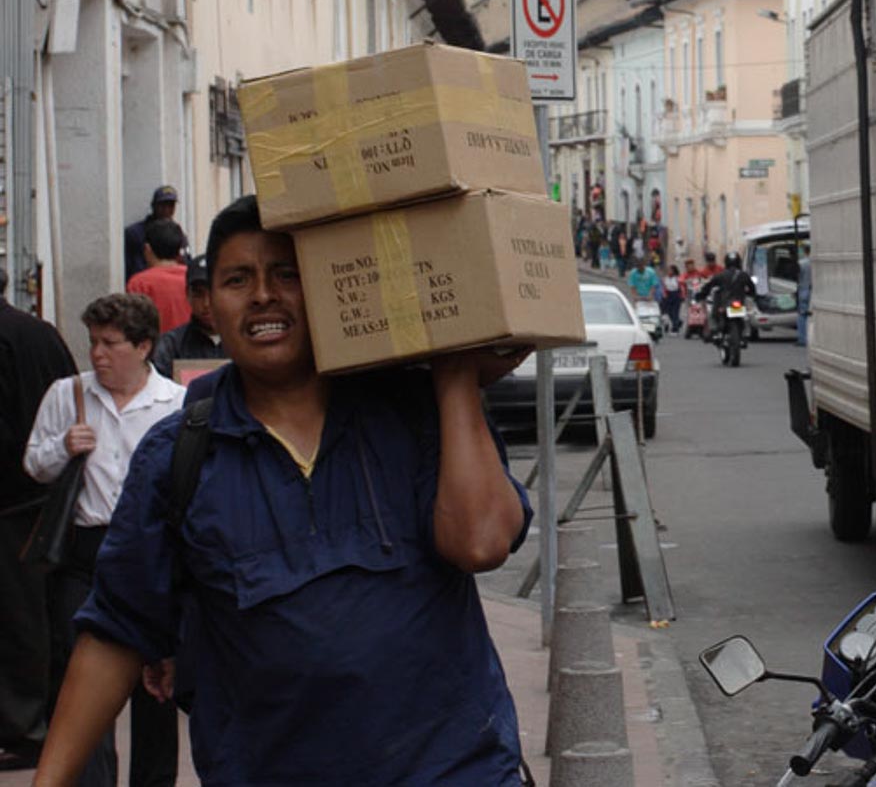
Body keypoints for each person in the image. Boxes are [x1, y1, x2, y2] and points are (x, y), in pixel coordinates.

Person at [30, 196, 532, 787]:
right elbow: (115, 632)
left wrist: (453, 372)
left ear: (326, 290)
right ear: (209, 305)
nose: (264, 295)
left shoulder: (413, 414)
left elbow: (480, 542)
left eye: (287, 274)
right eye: (238, 279)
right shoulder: (176, 458)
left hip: (455, 772)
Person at [25, 293, 186, 787]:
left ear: (143, 347)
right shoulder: (68, 394)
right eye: (93, 342)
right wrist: (63, 446)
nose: (97, 354)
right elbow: (34, 464)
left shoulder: (175, 403)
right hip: (86, 552)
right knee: (83, 679)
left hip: (151, 552)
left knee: (156, 683)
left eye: (110, 343)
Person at [0, 269, 78, 772]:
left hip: (11, 498)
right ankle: (44, 716)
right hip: (48, 492)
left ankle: (25, 729)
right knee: (42, 613)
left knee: (18, 618)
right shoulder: (41, 333)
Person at [148, 258, 221, 382]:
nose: (206, 303)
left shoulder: (243, 342)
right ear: (187, 295)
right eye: (199, 294)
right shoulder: (170, 346)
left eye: (212, 293)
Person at [127, 221, 192, 336]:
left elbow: (133, 326)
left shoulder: (139, 283)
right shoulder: (193, 276)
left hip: (156, 345)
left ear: (147, 248)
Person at [122, 188, 178, 283]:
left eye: (171, 205)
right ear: (153, 206)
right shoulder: (135, 233)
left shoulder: (177, 233)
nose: (167, 210)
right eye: (163, 205)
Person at [795, 253, 812, 349]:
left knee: (802, 315)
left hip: (803, 290)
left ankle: (802, 339)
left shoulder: (801, 263)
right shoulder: (816, 262)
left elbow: (797, 276)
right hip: (814, 291)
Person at [660, 265, 684, 333]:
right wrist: (664, 295)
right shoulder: (665, 278)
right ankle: (678, 322)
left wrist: (682, 296)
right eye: (668, 270)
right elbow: (664, 287)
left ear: (674, 271)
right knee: (669, 312)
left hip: (676, 295)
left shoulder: (678, 278)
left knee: (675, 312)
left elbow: (681, 288)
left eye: (670, 270)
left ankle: (675, 328)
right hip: (668, 295)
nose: (669, 271)